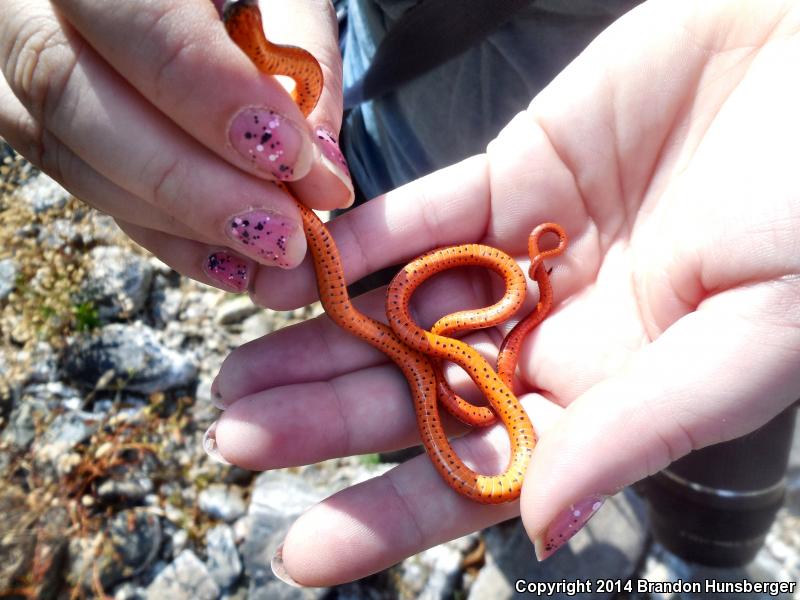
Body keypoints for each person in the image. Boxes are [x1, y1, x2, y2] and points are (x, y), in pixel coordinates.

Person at [2, 0, 799, 588]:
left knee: (715, 410)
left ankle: (706, 555)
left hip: (668, 155)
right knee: (443, 397)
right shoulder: (291, 82)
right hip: (382, 138)